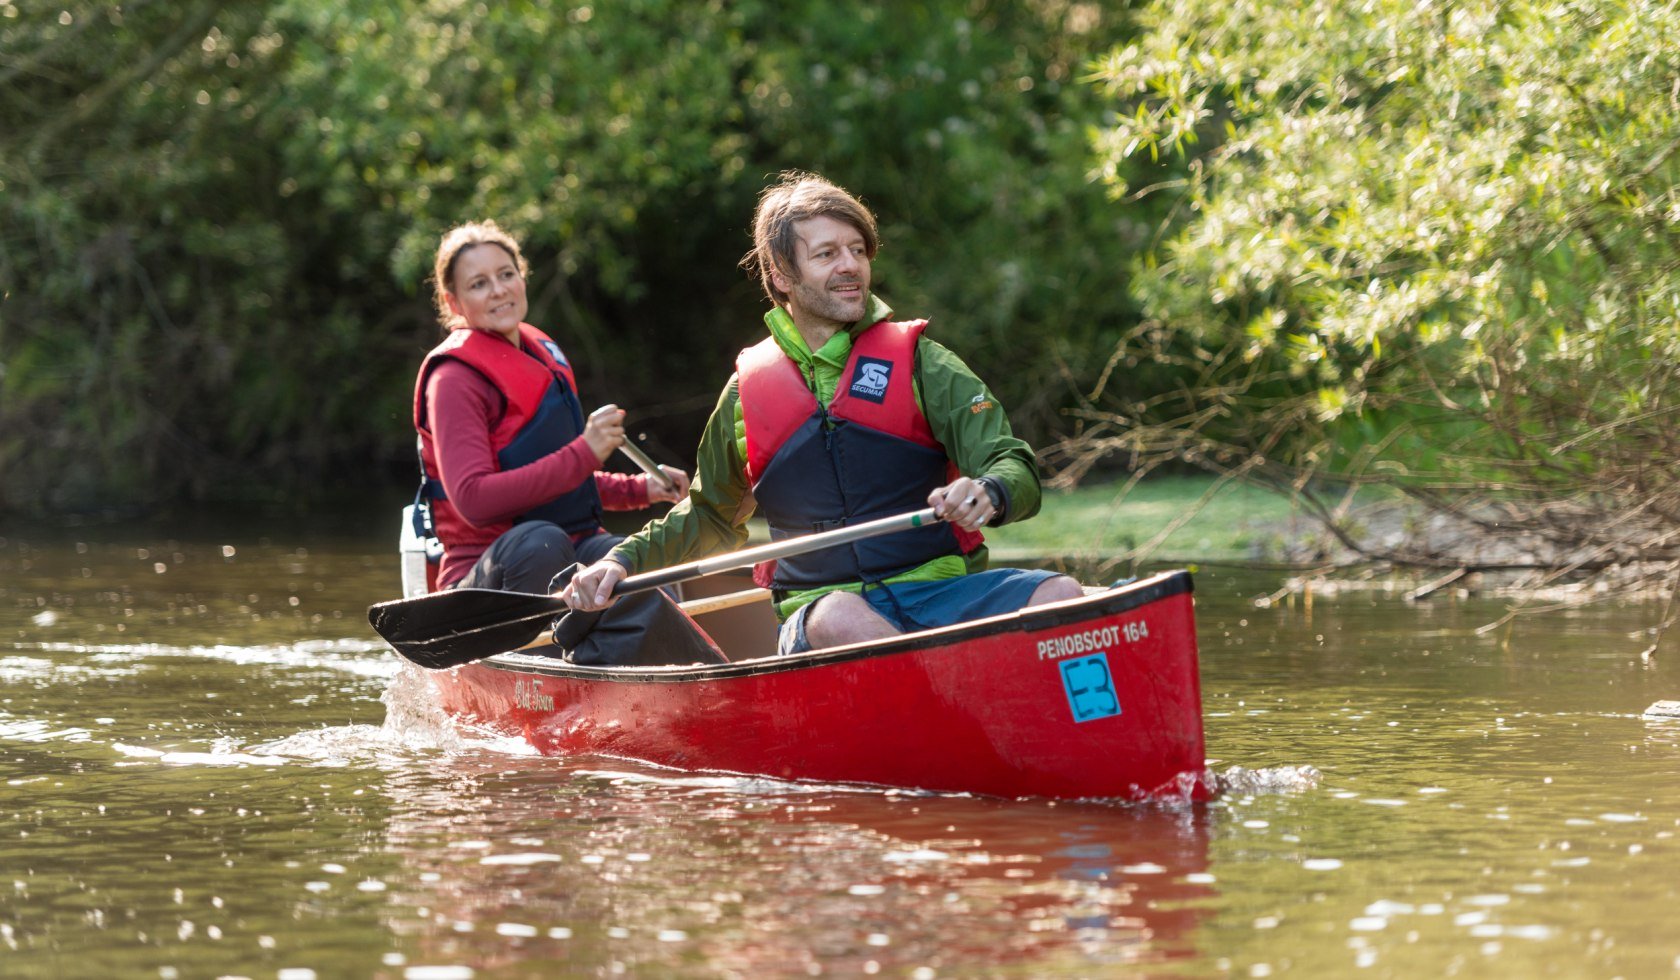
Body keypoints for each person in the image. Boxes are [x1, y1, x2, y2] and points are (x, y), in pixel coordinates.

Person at [562, 172, 1083, 655]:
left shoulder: (927, 363)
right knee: (841, 614)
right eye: (828, 253)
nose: (851, 265)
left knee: (1061, 591)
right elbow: (707, 517)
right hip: (819, 614)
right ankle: (961, 716)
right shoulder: (746, 393)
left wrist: (991, 490)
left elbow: (1012, 463)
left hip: (940, 593)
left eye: (858, 250)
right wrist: (618, 560)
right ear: (781, 275)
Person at [413, 219, 691, 596]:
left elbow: (558, 481)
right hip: (488, 569)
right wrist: (585, 451)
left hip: (570, 546)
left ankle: (647, 651)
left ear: (522, 278)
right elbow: (474, 500)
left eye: (506, 274)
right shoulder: (453, 380)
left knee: (629, 559)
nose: (498, 291)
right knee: (541, 543)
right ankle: (552, 647)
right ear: (453, 302)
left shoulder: (543, 356)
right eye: (479, 284)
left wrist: (641, 489)